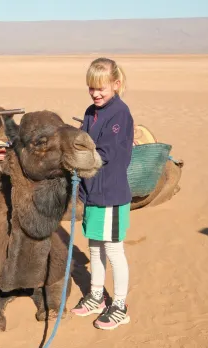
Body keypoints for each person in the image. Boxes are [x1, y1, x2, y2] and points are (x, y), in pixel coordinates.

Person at [70, 57, 134, 330]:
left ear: (116, 85)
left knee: (113, 249)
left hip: (112, 194)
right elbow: (81, 140)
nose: (96, 93)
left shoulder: (120, 113)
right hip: (92, 192)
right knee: (94, 247)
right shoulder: (90, 111)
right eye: (91, 88)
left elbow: (105, 153)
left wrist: (76, 157)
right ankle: (97, 295)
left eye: (101, 88)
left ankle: (119, 304)